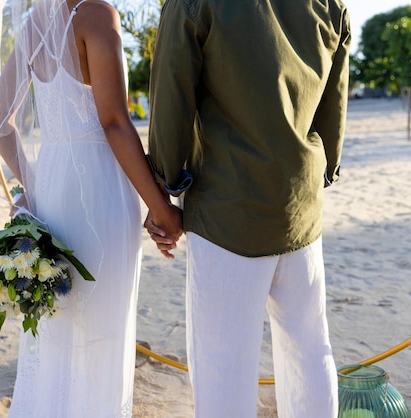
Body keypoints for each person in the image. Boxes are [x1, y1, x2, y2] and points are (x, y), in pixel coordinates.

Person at [0, 0, 182, 416]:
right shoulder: (98, 14)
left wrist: (32, 185)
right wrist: (159, 206)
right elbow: (113, 122)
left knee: (56, 323)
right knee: (103, 327)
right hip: (100, 187)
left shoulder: (37, 21)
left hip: (52, 189)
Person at [145, 0, 351, 417]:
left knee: (223, 365)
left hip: (227, 208)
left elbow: (172, 97)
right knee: (309, 351)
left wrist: (164, 186)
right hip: (301, 207)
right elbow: (335, 105)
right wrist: (323, 171)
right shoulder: (331, 5)